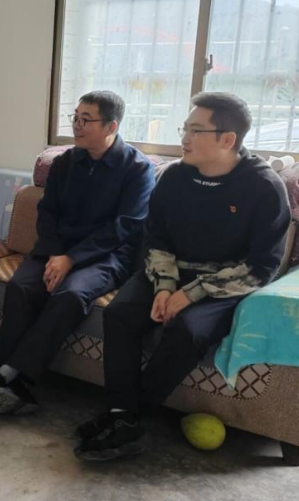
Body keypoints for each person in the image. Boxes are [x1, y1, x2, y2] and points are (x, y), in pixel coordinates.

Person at [74, 92, 290, 461]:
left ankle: (131, 417)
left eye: (195, 130)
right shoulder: (173, 176)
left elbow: (262, 267)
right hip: (168, 270)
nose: (184, 139)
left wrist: (191, 294)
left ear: (227, 139)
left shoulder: (264, 187)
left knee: (187, 330)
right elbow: (155, 238)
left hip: (226, 283)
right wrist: (165, 285)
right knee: (120, 313)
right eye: (184, 129)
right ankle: (121, 413)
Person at [0, 91, 154, 415]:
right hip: (55, 249)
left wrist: (72, 259)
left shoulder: (137, 169)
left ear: (111, 126)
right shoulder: (65, 162)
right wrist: (56, 253)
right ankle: (12, 384)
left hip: (106, 255)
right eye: (75, 118)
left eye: (86, 120)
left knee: (70, 295)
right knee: (21, 287)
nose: (77, 126)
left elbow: (125, 226)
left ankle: (4, 375)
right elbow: (47, 212)